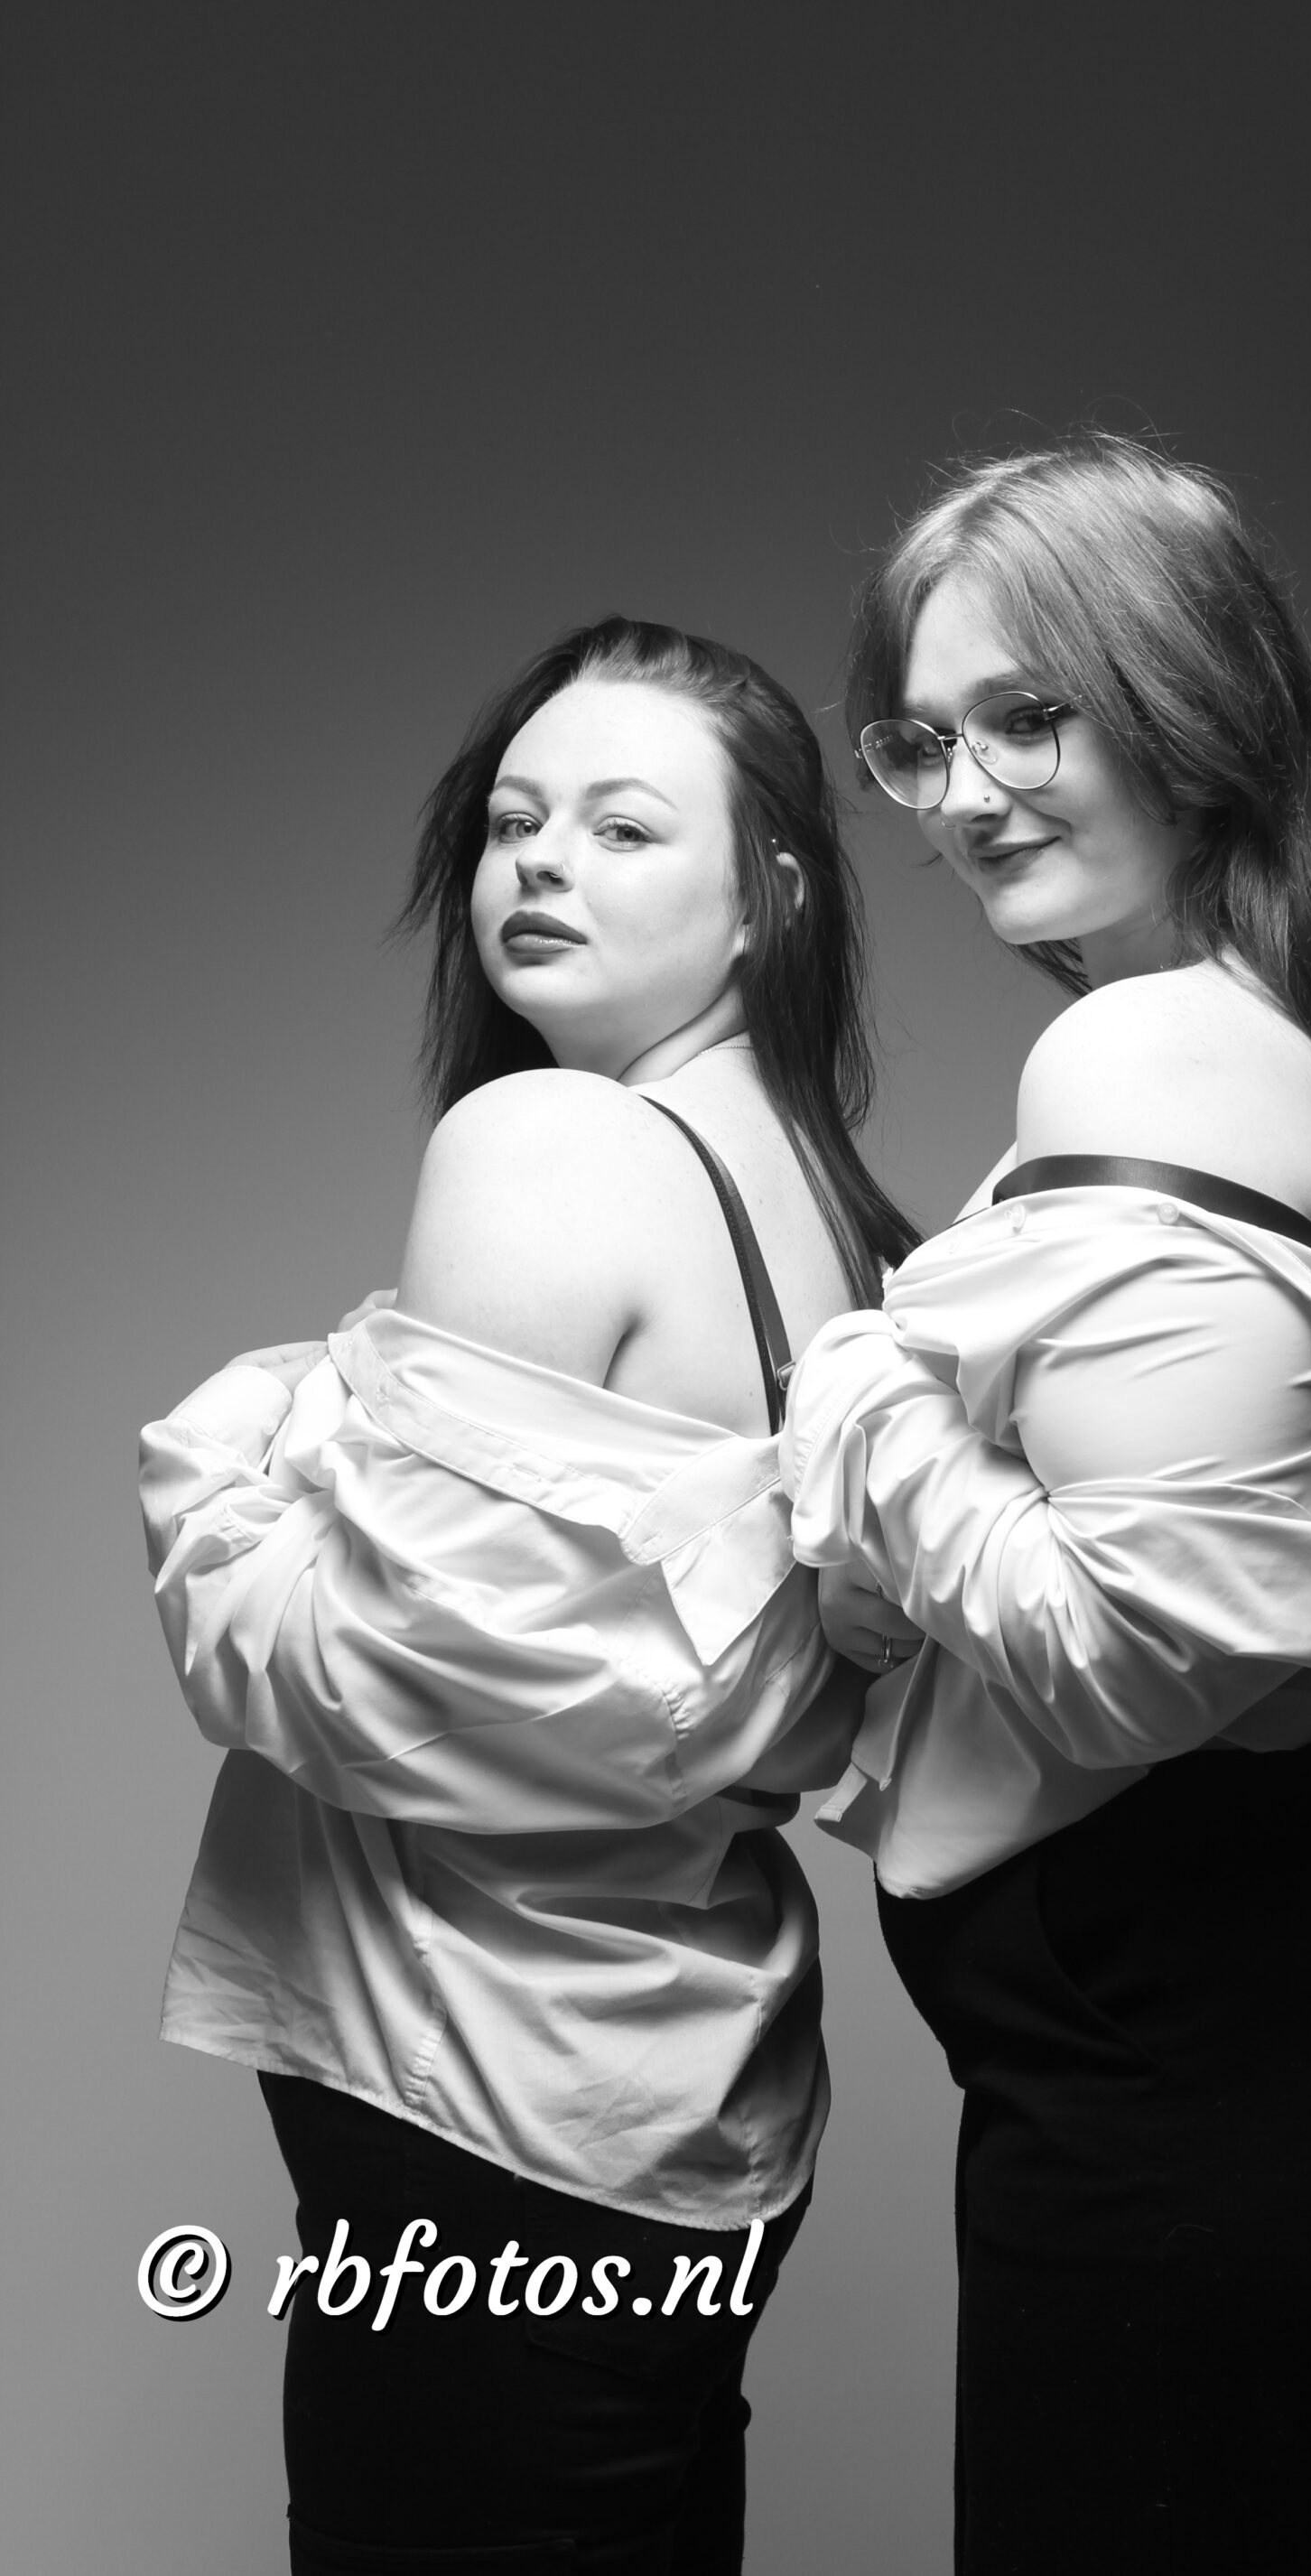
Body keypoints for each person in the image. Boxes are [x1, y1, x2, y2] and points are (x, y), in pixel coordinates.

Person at [779, 437, 1311, 2573]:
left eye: (1032, 715)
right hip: (1287, 2018)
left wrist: (856, 1385)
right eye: (922, 741)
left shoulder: (1146, 1060)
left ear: (1193, 698)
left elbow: (1113, 1657)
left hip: (1218, 2035)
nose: (965, 794)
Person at [139, 617, 917, 2576]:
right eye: (512, 820)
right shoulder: (828, 1208)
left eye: (624, 826)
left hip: (485, 2120)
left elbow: (379, 1683)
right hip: (678, 2104)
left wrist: (232, 1462)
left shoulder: (547, 1138)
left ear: (769, 898)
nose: (542, 860)